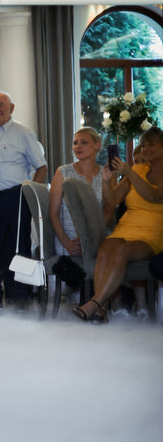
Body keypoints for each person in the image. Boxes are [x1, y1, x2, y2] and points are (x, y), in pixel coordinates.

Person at [74, 127, 163, 322]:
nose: (145, 149)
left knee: (123, 251)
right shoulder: (138, 170)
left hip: (152, 233)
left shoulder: (134, 171)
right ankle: (101, 310)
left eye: (151, 145)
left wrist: (129, 172)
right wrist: (106, 182)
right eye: (143, 145)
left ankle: (96, 302)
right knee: (105, 249)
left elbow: (154, 196)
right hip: (126, 227)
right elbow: (114, 199)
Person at [0, 91, 48, 309]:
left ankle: (19, 297)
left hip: (15, 197)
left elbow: (42, 167)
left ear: (11, 108)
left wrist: (29, 194)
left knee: (16, 248)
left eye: (1, 105)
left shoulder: (24, 133)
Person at [48, 128, 113, 258]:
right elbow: (53, 214)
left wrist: (93, 235)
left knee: (111, 252)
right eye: (75, 143)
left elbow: (109, 209)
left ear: (97, 145)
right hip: (68, 239)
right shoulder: (63, 172)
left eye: (84, 142)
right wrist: (67, 243)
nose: (78, 146)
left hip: (97, 236)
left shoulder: (106, 174)